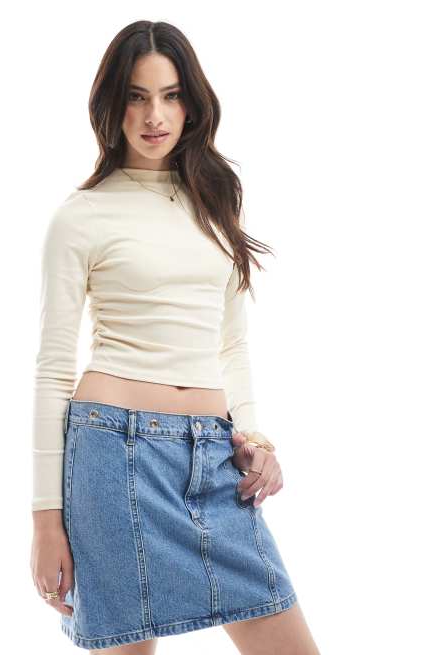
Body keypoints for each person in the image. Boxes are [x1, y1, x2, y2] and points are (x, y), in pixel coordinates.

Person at [30, 20, 320, 655]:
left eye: (170, 95)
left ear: (192, 103)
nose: (154, 115)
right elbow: (53, 369)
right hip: (112, 454)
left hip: (212, 458)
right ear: (112, 106)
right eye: (136, 96)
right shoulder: (82, 215)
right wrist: (46, 522)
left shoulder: (216, 200)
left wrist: (253, 437)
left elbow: (231, 343)